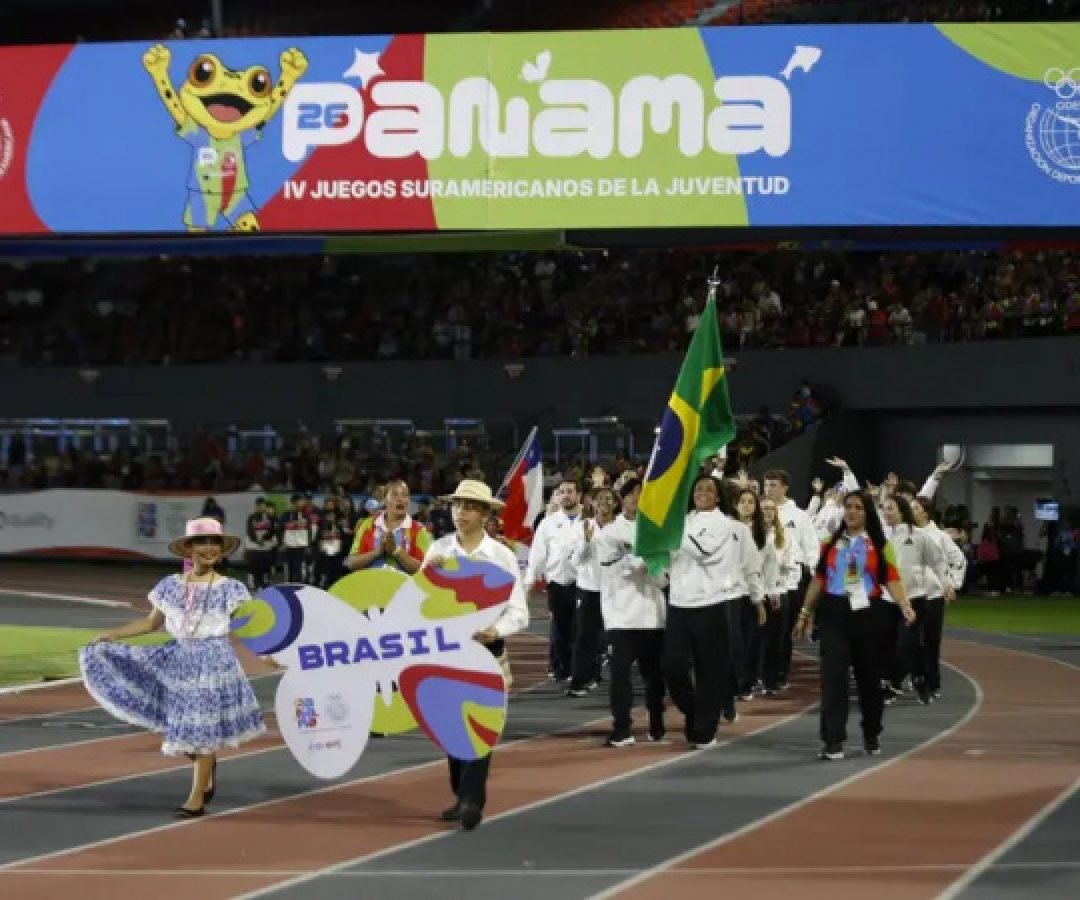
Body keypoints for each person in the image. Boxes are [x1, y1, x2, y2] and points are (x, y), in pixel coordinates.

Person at [78, 517, 265, 817]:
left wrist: (270, 654)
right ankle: (206, 767)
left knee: (200, 728)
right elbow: (151, 622)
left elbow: (251, 627)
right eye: (202, 543)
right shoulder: (169, 586)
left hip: (213, 664)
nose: (209, 549)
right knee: (182, 729)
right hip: (177, 661)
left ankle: (195, 798)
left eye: (214, 543)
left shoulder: (232, 589)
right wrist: (114, 634)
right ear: (188, 549)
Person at [420, 479, 529, 832]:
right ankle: (461, 793)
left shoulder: (502, 556)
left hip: (486, 652)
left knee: (480, 727)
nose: (460, 513)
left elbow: (519, 611)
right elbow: (418, 606)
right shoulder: (438, 551)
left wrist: (494, 631)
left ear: (484, 513)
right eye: (456, 506)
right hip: (447, 653)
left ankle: (471, 801)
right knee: (452, 728)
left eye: (468, 507)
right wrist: (428, 579)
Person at [795, 492, 915, 761]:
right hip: (834, 613)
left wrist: (904, 604)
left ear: (867, 513)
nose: (852, 512)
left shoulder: (880, 544)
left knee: (869, 682)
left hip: (869, 615)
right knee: (833, 677)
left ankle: (871, 733)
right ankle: (833, 740)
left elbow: (892, 578)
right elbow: (819, 580)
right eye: (848, 507)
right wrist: (805, 611)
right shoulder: (829, 544)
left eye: (858, 508)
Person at [666, 475, 763, 748]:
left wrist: (758, 598)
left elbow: (705, 551)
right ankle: (694, 711)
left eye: (709, 489)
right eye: (698, 488)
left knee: (710, 672)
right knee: (672, 667)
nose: (702, 492)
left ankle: (703, 731)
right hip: (679, 603)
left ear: (719, 496)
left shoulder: (728, 526)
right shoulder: (682, 523)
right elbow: (667, 562)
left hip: (714, 604)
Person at [597, 478, 667, 747]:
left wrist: (652, 564)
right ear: (621, 499)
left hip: (652, 615)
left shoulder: (658, 532)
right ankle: (622, 728)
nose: (637, 499)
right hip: (620, 615)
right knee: (620, 675)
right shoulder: (610, 533)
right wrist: (643, 559)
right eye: (633, 494)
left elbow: (663, 578)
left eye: (643, 494)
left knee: (654, 677)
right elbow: (614, 567)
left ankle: (657, 725)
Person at [525, 479, 583, 682]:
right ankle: (561, 669)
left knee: (581, 628)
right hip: (557, 582)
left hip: (582, 583)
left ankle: (580, 670)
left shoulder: (588, 521)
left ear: (578, 495)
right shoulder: (548, 523)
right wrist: (530, 579)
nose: (566, 495)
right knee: (560, 627)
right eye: (562, 492)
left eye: (570, 491)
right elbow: (537, 554)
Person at [344, 479, 431, 576]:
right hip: (371, 588)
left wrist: (396, 551)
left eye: (405, 495)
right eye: (394, 495)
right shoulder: (368, 525)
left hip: (405, 590)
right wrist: (377, 552)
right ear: (385, 499)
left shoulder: (418, 529)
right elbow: (351, 563)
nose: (400, 499)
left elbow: (425, 570)